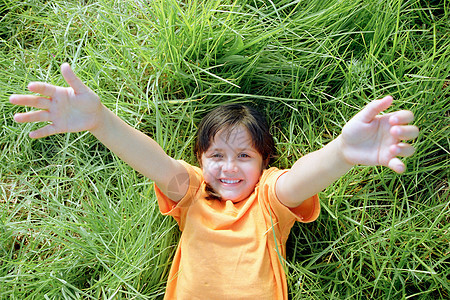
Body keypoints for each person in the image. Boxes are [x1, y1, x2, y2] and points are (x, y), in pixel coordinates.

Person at [9, 63, 419, 299]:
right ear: (200, 161)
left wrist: (342, 153)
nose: (229, 168)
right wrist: (101, 122)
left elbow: (301, 180)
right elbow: (154, 162)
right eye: (216, 156)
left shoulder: (268, 200)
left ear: (264, 164)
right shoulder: (191, 195)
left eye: (244, 156)